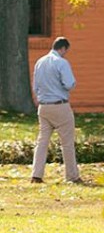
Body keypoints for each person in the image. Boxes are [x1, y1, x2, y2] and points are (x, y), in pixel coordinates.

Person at [31, 36, 83, 184]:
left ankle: (36, 175)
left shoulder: (40, 62)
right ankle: (72, 176)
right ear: (63, 48)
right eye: (66, 51)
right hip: (60, 105)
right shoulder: (61, 62)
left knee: (42, 142)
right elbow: (69, 84)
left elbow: (35, 87)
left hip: (43, 106)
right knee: (67, 142)